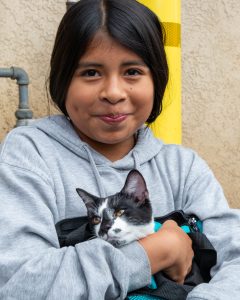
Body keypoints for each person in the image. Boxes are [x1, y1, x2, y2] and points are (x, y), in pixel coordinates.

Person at [0, 0, 239, 299]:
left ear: (157, 79)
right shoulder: (30, 155)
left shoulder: (183, 169)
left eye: (133, 72)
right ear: (63, 80)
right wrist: (153, 252)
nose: (113, 93)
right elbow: (18, 286)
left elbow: (235, 262)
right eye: (90, 73)